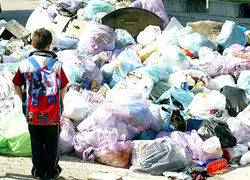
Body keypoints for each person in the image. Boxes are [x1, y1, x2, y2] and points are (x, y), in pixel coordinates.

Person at [12, 28, 69, 180]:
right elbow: (63, 86)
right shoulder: (56, 65)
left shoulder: (24, 64)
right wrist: (60, 103)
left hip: (32, 111)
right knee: (52, 141)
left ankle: (38, 171)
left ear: (33, 44)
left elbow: (16, 84)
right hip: (52, 111)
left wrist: (23, 98)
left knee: (36, 141)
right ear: (50, 45)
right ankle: (51, 172)